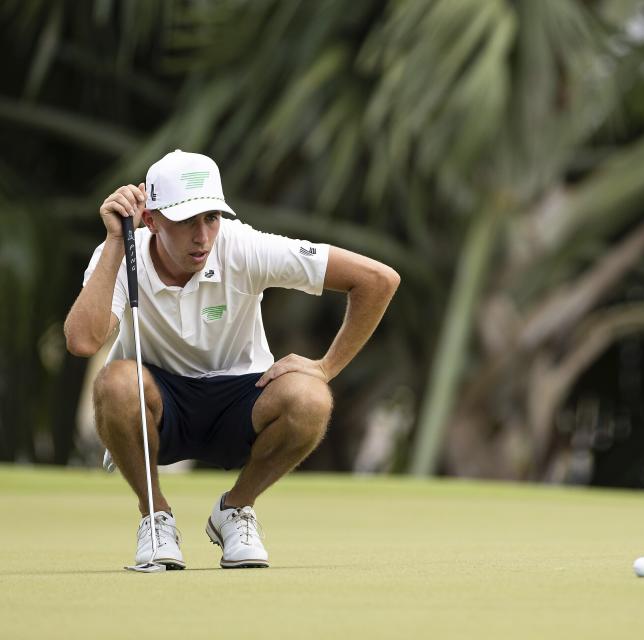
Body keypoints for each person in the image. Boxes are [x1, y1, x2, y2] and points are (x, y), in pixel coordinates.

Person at [64, 150, 400, 569]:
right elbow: (82, 341)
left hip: (241, 400)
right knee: (114, 382)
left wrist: (325, 367)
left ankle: (236, 509)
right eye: (186, 220)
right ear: (151, 220)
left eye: (211, 217)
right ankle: (155, 518)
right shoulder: (119, 253)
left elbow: (378, 280)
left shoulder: (241, 246)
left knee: (312, 398)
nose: (203, 236)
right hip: (159, 404)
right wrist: (116, 241)